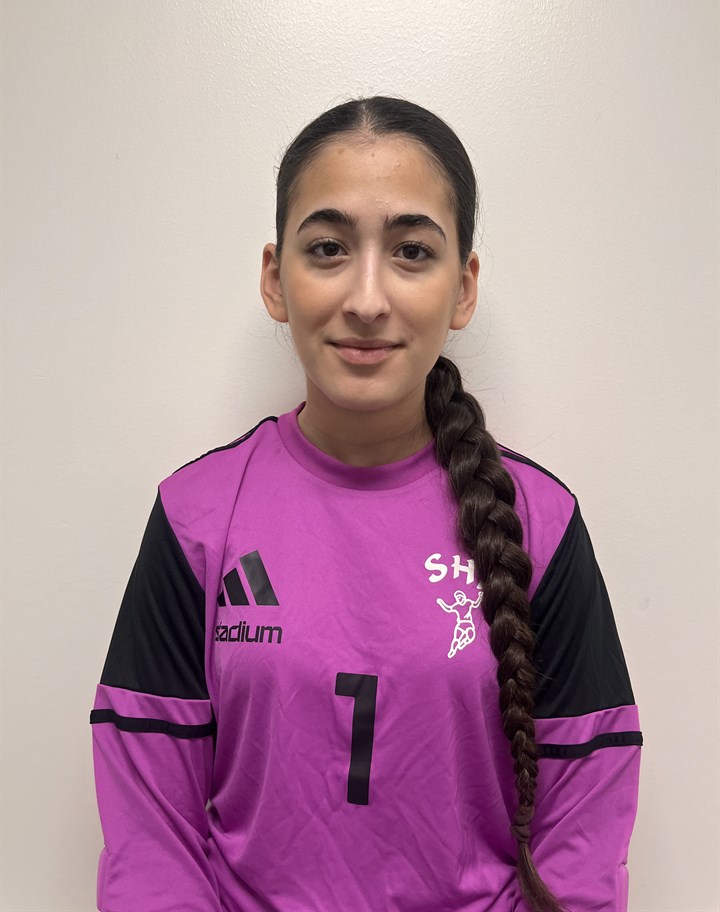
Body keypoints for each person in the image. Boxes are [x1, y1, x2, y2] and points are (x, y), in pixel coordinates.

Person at [89, 95, 642, 912]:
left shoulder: (541, 522)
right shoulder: (195, 516)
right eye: (328, 248)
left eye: (412, 251)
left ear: (463, 288)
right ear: (276, 279)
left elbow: (585, 825)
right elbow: (150, 837)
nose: (368, 298)